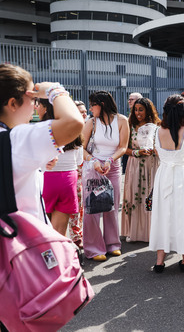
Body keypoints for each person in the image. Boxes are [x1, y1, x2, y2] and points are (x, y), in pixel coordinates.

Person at [0, 64, 84, 328]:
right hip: (14, 254)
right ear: (13, 102)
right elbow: (74, 123)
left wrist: (36, 166)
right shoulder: (16, 139)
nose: (35, 106)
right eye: (32, 98)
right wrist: (54, 91)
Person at [149, 95, 184, 273]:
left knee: (163, 214)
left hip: (164, 174)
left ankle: (159, 261)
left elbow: (159, 154)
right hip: (183, 175)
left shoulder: (156, 132)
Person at [82, 91, 129, 261]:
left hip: (113, 167)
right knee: (92, 209)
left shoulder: (122, 120)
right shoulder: (90, 122)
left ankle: (113, 244)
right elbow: (82, 148)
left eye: (92, 104)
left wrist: (110, 160)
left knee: (111, 206)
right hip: (93, 168)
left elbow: (123, 147)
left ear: (101, 105)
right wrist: (94, 160)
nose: (90, 108)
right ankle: (94, 248)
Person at [38, 98, 83, 236]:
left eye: (38, 104)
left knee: (43, 229)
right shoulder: (73, 127)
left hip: (46, 177)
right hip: (68, 178)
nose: (36, 108)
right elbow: (79, 159)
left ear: (46, 108)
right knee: (59, 232)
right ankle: (59, 256)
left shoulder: (40, 128)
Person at [122, 97, 160, 243]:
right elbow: (123, 148)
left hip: (152, 164)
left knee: (150, 196)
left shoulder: (157, 126)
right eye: (135, 110)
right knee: (135, 196)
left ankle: (151, 232)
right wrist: (137, 153)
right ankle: (135, 231)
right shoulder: (130, 125)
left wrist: (154, 151)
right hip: (135, 164)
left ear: (148, 110)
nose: (138, 113)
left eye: (141, 110)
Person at [68, 100, 89, 248]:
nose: (84, 114)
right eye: (81, 112)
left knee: (80, 206)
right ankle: (74, 237)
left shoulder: (87, 127)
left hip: (84, 171)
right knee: (72, 207)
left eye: (85, 111)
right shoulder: (68, 129)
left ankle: (78, 235)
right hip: (70, 172)